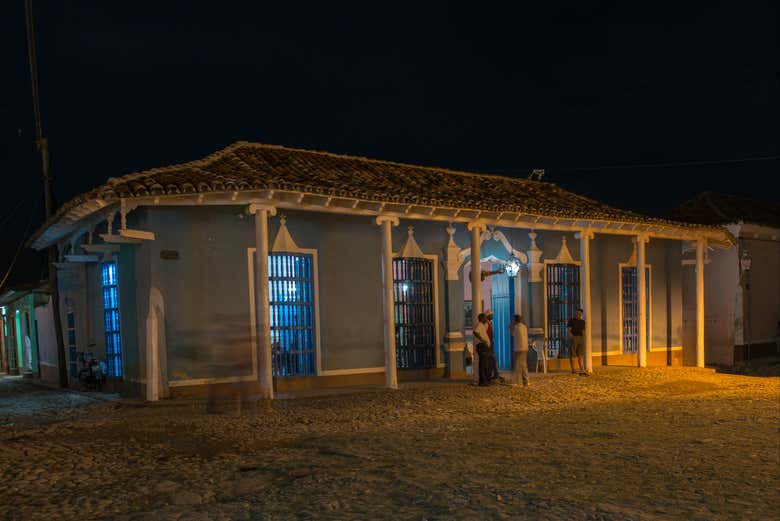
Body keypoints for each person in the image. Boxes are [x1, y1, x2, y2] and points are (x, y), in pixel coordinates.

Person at [473, 313, 494, 386]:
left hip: (484, 346)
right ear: (482, 318)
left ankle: (484, 380)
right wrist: (483, 340)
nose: (486, 319)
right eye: (485, 317)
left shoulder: (482, 325)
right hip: (482, 346)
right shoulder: (479, 325)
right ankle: (483, 381)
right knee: (483, 365)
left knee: (484, 364)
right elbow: (475, 332)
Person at [511, 314, 529, 386]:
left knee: (518, 366)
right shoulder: (524, 327)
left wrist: (511, 328)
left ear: (515, 320)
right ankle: (526, 381)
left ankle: (518, 382)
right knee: (524, 365)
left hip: (519, 349)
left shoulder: (516, 327)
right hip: (525, 348)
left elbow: (513, 334)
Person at [568, 308, 586, 374]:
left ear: (581, 314)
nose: (578, 314)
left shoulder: (582, 322)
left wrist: (583, 338)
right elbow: (569, 329)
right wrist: (571, 336)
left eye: (579, 313)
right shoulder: (571, 320)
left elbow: (583, 330)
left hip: (581, 338)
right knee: (572, 354)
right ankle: (573, 369)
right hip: (574, 337)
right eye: (577, 313)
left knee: (580, 354)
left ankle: (582, 368)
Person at [485, 311, 502, 382]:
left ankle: (495, 374)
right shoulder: (486, 324)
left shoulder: (489, 323)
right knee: (492, 360)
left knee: (492, 360)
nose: (492, 316)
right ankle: (494, 375)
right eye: (491, 315)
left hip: (490, 344)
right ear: (488, 316)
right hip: (489, 345)